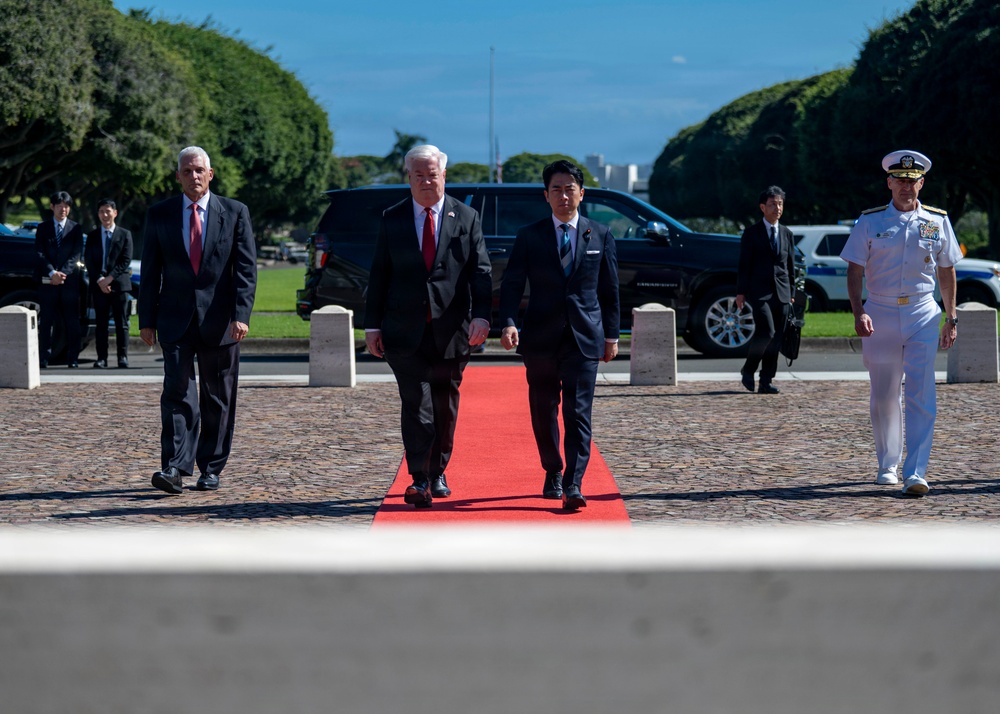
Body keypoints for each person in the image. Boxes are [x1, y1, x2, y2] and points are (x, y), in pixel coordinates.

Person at [364, 144, 492, 508]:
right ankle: (419, 478)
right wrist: (372, 326)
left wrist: (482, 316)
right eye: (418, 175)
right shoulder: (393, 217)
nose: (425, 181)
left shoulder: (465, 217)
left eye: (431, 174)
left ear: (443, 176)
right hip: (404, 331)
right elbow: (380, 274)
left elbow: (480, 272)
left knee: (444, 405)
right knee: (415, 403)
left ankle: (438, 471)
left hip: (451, 331)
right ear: (408, 178)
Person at [498, 160, 620, 511]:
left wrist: (611, 336)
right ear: (546, 195)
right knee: (543, 411)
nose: (563, 195)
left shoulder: (600, 234)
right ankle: (553, 470)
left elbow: (609, 291)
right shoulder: (530, 235)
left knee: (579, 414)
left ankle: (574, 483)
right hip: (539, 338)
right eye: (556, 189)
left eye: (570, 188)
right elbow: (512, 284)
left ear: (582, 194)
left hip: (584, 338)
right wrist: (508, 321)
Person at [840, 150, 961, 496]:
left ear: (921, 183)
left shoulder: (937, 221)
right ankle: (888, 464)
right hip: (879, 311)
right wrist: (857, 311)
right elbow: (855, 268)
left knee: (922, 392)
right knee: (884, 393)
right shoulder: (870, 221)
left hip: (923, 311)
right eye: (900, 181)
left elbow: (947, 269)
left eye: (913, 181)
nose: (906, 187)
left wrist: (951, 317)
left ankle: (917, 471)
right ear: (889, 182)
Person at [139, 146, 257, 495]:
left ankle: (211, 467)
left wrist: (241, 314)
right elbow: (150, 271)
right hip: (174, 318)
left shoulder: (235, 212)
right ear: (178, 176)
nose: (193, 176)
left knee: (217, 397)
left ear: (211, 173)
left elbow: (246, 270)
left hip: (221, 322)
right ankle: (174, 467)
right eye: (187, 171)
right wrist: (147, 319)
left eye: (199, 170)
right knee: (177, 393)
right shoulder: (159, 214)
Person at [735, 186, 795, 394]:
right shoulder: (751, 234)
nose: (777, 208)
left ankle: (766, 381)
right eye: (772, 204)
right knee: (766, 332)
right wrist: (741, 292)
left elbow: (790, 266)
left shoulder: (787, 233)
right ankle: (748, 369)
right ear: (763, 207)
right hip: (759, 292)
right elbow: (744, 265)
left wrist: (792, 293)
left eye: (780, 204)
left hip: (783, 293)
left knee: (776, 338)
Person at [34, 191, 84, 368]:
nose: (63, 209)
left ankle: (73, 358)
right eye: (60, 205)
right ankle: (43, 357)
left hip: (68, 282)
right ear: (52, 207)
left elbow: (76, 254)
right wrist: (51, 273)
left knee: (72, 320)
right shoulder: (43, 228)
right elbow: (40, 253)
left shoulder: (76, 228)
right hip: (48, 282)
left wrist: (62, 273)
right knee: (46, 320)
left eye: (66, 205)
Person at [83, 198, 133, 369]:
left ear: (115, 213)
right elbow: (89, 261)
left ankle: (122, 356)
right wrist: (100, 280)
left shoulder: (125, 234)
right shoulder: (92, 236)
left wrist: (110, 278)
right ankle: (101, 358)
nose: (105, 215)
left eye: (108, 211)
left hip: (119, 285)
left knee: (122, 323)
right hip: (99, 286)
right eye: (101, 212)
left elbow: (125, 260)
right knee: (101, 324)